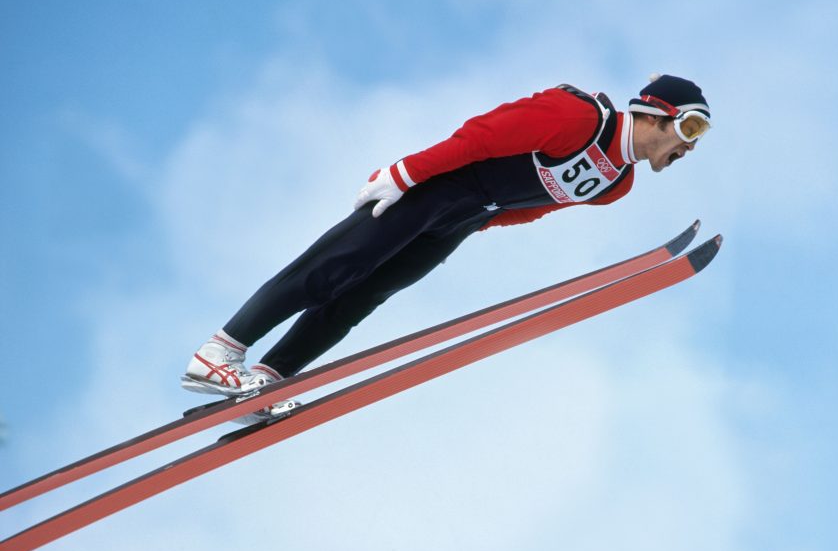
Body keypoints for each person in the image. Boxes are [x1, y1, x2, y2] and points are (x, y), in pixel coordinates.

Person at [182, 73, 711, 403]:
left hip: (461, 218)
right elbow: (481, 136)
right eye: (689, 130)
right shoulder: (578, 117)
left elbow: (536, 206)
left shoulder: (616, 183)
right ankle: (219, 353)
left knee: (364, 296)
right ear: (655, 113)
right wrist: (407, 173)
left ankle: (269, 381)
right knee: (332, 270)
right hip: (435, 189)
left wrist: (477, 222)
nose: (688, 148)